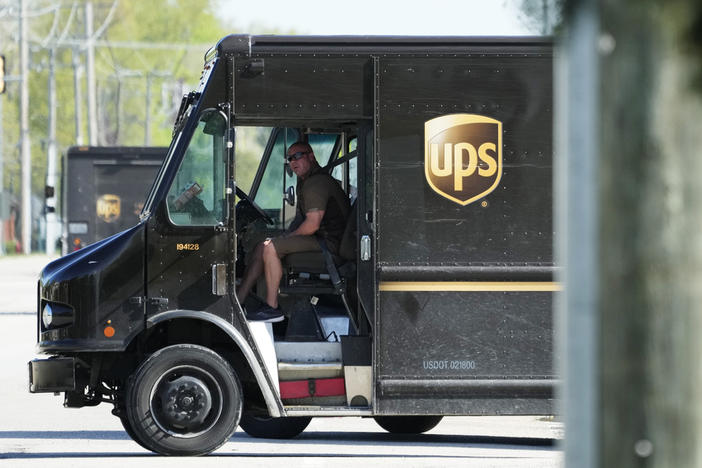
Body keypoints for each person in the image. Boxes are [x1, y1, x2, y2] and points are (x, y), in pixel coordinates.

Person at [236, 141, 351, 322]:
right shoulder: (306, 182)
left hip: (329, 247)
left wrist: (287, 237)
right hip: (321, 240)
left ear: (311, 156)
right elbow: (302, 220)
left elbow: (312, 224)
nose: (293, 162)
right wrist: (284, 236)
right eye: (289, 158)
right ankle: (238, 300)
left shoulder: (316, 183)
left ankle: (272, 308)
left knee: (271, 248)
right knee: (262, 246)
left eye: (298, 156)